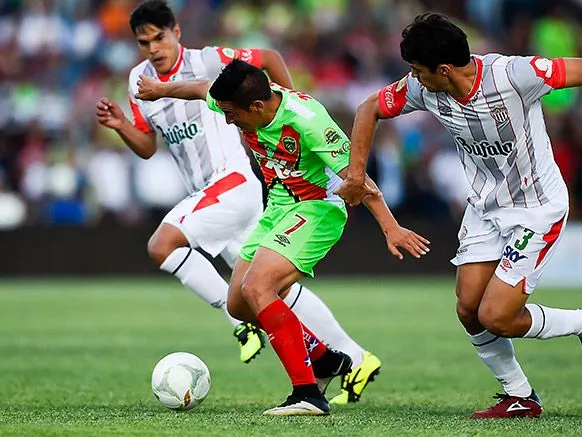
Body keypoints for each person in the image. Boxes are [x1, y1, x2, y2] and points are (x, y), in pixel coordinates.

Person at [335, 13, 582, 418]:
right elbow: (369, 108)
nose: (412, 78)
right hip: (485, 208)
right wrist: (357, 174)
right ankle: (519, 395)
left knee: (495, 316)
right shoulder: (423, 88)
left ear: (443, 69)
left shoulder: (514, 75)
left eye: (417, 70)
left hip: (537, 208)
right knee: (468, 309)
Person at [95, 0, 384, 406]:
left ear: (176, 32)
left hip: (232, 182)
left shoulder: (210, 60)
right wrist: (122, 125)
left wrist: (292, 102)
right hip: (209, 197)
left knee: (163, 245)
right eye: (144, 43)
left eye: (159, 37)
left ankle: (242, 327)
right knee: (267, 292)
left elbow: (267, 58)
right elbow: (146, 147)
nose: (153, 48)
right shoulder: (137, 82)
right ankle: (347, 357)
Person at [134, 59, 430, 415]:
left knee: (259, 288)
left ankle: (307, 394)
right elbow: (200, 88)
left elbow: (356, 179)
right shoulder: (236, 99)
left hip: (316, 210)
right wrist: (159, 90)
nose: (228, 120)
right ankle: (323, 360)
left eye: (231, 114)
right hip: (276, 209)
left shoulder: (307, 120)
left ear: (257, 107)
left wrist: (390, 226)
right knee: (238, 304)